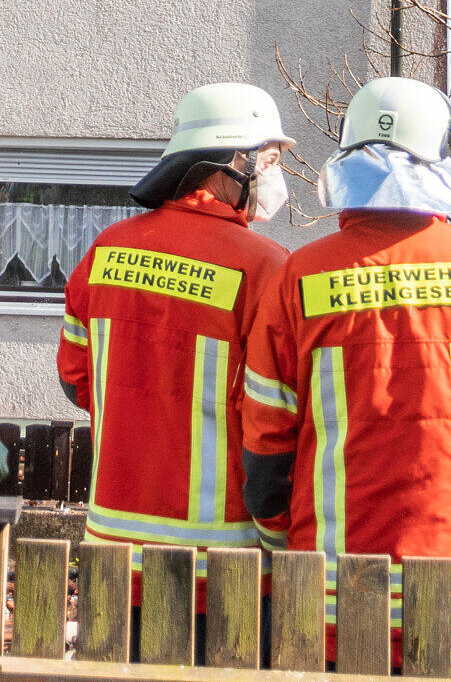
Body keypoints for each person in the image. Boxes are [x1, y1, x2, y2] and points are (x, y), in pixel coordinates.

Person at [240, 78, 451, 667]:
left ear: (347, 161)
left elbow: (266, 448)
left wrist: (281, 545)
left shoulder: (298, 278)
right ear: (443, 159)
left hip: (329, 606)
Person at [59, 83, 294, 645]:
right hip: (224, 571)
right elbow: (277, 422)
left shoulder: (105, 250)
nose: (274, 175)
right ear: (232, 162)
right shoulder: (268, 271)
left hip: (113, 558)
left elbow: (76, 379)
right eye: (270, 160)